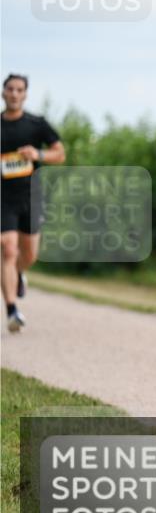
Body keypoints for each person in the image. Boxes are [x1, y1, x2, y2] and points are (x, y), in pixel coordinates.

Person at [1, 74, 66, 332]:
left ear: (25, 94)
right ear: (3, 92)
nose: (14, 94)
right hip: (3, 198)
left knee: (29, 255)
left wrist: (37, 153)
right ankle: (12, 311)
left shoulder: (37, 124)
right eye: (10, 89)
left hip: (30, 196)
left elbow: (60, 154)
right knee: (8, 249)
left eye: (19, 90)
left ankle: (18, 273)